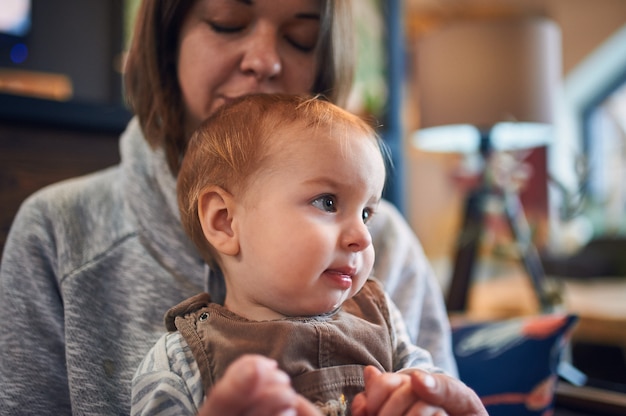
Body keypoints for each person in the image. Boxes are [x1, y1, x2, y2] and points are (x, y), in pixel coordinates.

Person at [1, 1, 458, 415]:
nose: (264, 60)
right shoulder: (58, 233)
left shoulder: (388, 253)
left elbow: (436, 389)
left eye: (299, 39)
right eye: (227, 23)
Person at [131, 93, 473, 416]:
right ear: (225, 222)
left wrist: (416, 399)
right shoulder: (183, 360)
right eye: (327, 202)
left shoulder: (383, 318)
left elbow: (435, 393)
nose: (363, 237)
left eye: (367, 214)